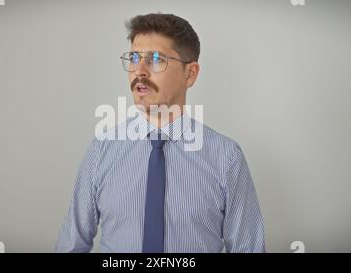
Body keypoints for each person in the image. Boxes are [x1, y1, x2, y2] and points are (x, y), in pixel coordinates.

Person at [56, 13, 265, 253]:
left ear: (190, 73)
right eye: (134, 58)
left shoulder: (226, 157)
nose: (140, 72)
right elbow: (70, 246)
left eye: (156, 59)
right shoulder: (101, 150)